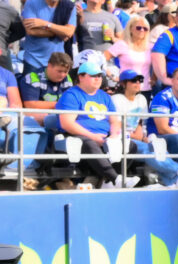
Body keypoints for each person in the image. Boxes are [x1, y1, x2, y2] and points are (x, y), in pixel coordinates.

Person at [55, 59, 138, 189]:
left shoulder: (105, 96)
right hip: (78, 137)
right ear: (80, 77)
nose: (98, 79)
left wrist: (114, 136)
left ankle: (107, 181)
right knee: (88, 143)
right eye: (93, 75)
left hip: (104, 137)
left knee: (131, 145)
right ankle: (115, 178)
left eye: (100, 75)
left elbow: (115, 121)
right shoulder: (71, 95)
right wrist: (93, 137)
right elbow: (67, 124)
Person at [21, 0, 76, 73]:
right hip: (33, 60)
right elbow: (31, 31)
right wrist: (59, 32)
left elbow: (69, 33)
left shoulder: (69, 7)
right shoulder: (31, 3)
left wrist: (44, 24)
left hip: (57, 61)